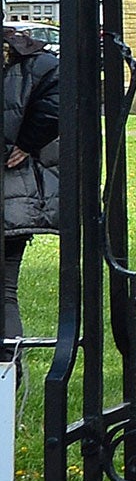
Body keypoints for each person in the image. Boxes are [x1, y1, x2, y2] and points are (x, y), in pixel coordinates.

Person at [3, 22, 59, 348]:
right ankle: (8, 375)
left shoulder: (32, 62)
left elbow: (60, 94)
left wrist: (28, 141)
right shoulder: (32, 58)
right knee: (6, 290)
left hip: (12, 192)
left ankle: (7, 373)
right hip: (15, 196)